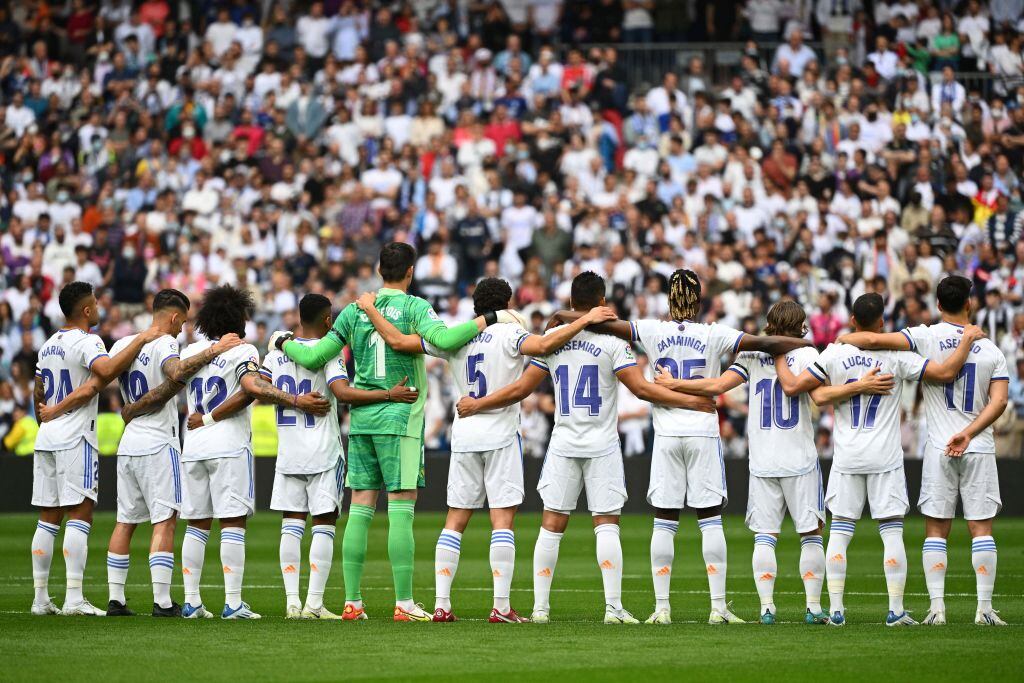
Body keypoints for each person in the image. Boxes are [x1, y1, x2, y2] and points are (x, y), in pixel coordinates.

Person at [267, 242, 520, 622]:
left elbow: (315, 356)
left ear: (379, 269)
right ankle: (403, 603)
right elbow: (448, 340)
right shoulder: (417, 308)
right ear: (410, 272)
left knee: (360, 510)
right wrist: (491, 317)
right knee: (401, 509)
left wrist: (283, 340)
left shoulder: (354, 310)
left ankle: (352, 602)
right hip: (400, 418)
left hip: (362, 420)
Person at [550, 269, 813, 625]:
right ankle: (718, 608)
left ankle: (662, 608)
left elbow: (599, 325)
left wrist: (566, 315)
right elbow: (765, 343)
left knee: (664, 522)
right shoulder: (715, 333)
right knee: (710, 519)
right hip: (703, 431)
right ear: (700, 301)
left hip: (667, 433)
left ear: (669, 301)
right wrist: (806, 343)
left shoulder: (651, 329)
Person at [455, 271, 717, 624]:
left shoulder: (554, 339)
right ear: (603, 303)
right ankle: (613, 608)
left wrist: (477, 403)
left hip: (563, 442)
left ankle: (540, 609)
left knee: (551, 525)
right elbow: (642, 390)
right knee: (606, 524)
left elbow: (520, 390)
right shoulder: (613, 343)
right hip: (602, 444)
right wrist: (690, 400)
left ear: (572, 303)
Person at [356, 277, 616, 623]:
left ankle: (442, 605)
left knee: (454, 521)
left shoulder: (454, 337)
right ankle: (501, 606)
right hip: (501, 435)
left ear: (477, 306)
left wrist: (371, 309)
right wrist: (582, 320)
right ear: (506, 303)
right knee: (502, 521)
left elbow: (399, 341)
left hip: (464, 435)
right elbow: (541, 348)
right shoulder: (511, 333)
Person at [655, 300, 894, 625]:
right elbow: (819, 397)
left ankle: (767, 607)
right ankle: (812, 607)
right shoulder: (808, 354)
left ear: (769, 324)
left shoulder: (752, 355)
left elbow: (717, 386)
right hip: (799, 458)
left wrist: (674, 383)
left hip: (762, 460)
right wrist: (860, 384)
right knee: (811, 533)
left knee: (765, 535)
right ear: (801, 325)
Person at [196, 293, 416, 619]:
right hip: (323, 451)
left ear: (300, 319)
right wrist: (388, 394)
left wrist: (209, 416)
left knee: (291, 525)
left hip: (288, 450)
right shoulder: (329, 351)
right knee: (323, 523)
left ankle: (291, 603)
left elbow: (258, 391)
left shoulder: (275, 355)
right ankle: (314, 603)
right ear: (328, 320)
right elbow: (342, 393)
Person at [774, 292, 982, 626]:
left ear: (853, 321)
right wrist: (967, 340)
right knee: (891, 532)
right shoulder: (896, 356)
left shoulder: (835, 354)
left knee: (840, 533)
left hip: (847, 456)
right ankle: (896, 610)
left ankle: (837, 610)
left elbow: (810, 391)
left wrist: (851, 385)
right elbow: (944, 374)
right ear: (883, 321)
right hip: (885, 457)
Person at [130, 285, 329, 620]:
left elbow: (171, 383)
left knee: (196, 524)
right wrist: (294, 399)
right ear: (240, 318)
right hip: (228, 445)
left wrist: (134, 408)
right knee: (232, 523)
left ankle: (191, 601)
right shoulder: (242, 350)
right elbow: (251, 388)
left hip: (192, 444)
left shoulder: (193, 350)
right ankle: (233, 602)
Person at [40, 288, 241, 617]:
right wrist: (214, 351)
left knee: (125, 522)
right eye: (182, 322)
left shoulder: (122, 344)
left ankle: (116, 599)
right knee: (165, 521)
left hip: (128, 442)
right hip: (158, 441)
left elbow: (101, 380)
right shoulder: (165, 343)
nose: (181, 329)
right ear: (175, 317)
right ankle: (163, 601)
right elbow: (175, 373)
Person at [835, 276, 1011, 626]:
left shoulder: (924, 335)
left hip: (938, 446)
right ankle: (984, 610)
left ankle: (937, 609)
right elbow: (1000, 401)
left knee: (936, 530)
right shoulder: (990, 348)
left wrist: (845, 337)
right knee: (981, 529)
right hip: (977, 446)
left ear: (938, 303)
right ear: (969, 304)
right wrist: (970, 432)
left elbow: (871, 338)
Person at [30, 281, 162, 616]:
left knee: (47, 519)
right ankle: (74, 598)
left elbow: (38, 395)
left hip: (46, 435)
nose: (100, 305)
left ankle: (41, 598)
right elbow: (105, 371)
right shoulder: (88, 341)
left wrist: (49, 419)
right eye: (96, 302)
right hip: (76, 437)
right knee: (80, 513)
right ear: (86, 310)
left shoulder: (47, 345)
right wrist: (141, 339)